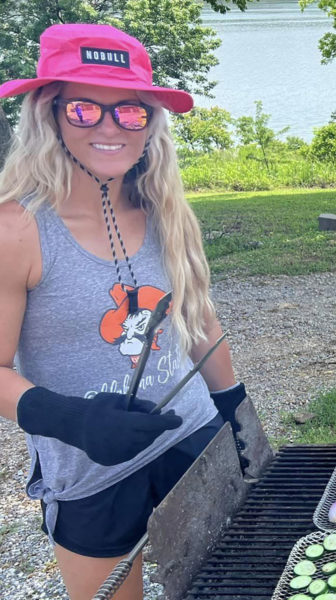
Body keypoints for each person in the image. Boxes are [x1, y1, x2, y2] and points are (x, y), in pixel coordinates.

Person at [0, 24, 249, 600]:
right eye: (84, 109)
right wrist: (74, 421)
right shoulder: (17, 229)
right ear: (49, 114)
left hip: (190, 435)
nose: (110, 127)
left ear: (151, 123)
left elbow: (199, 320)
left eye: (131, 111)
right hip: (89, 467)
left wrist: (234, 412)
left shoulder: (167, 211)